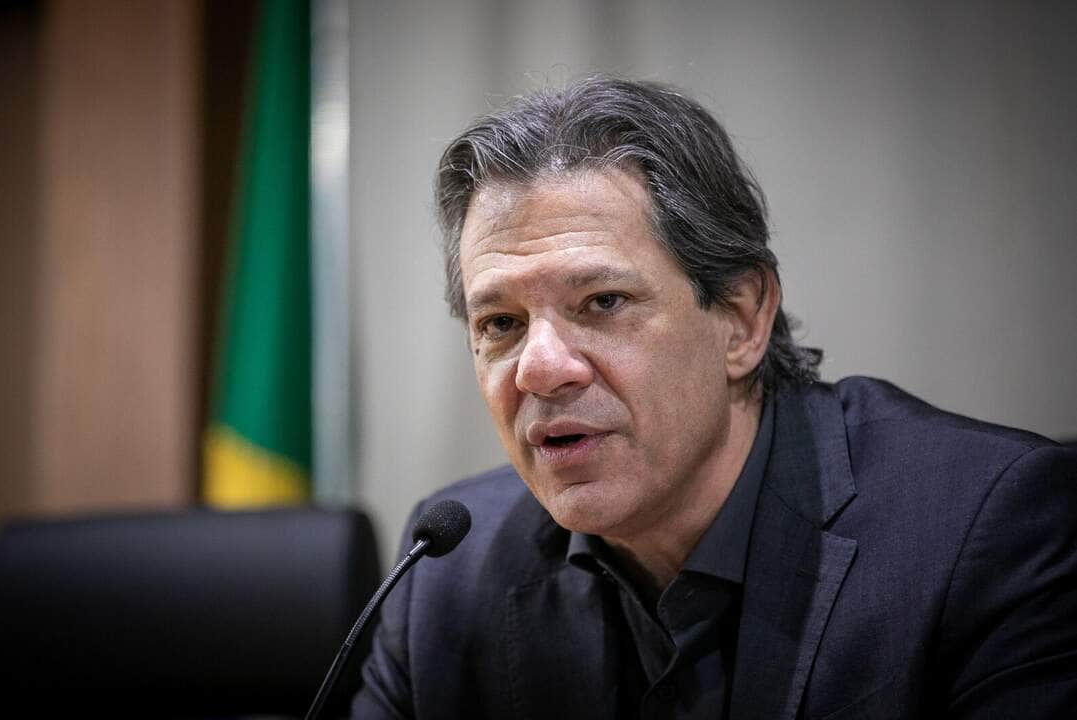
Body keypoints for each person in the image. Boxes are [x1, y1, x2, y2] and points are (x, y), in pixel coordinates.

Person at [352, 76, 1077, 719]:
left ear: (741, 318)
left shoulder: (987, 530)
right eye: (501, 324)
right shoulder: (446, 573)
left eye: (603, 302)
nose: (539, 370)